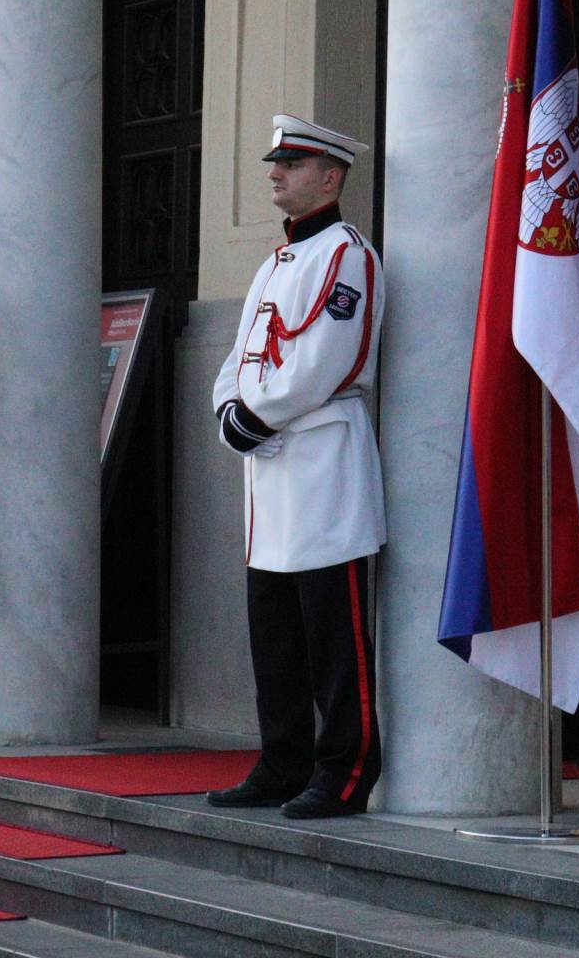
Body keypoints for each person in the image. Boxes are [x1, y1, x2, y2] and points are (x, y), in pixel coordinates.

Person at [207, 114, 386, 819]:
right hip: (270, 468)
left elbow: (327, 356)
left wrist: (256, 414)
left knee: (332, 635)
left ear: (332, 176)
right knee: (275, 633)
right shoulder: (276, 263)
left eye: (292, 163)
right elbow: (239, 355)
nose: (275, 173)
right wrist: (228, 410)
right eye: (275, 162)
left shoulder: (346, 254)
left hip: (322, 458)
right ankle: (282, 761)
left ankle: (345, 772)